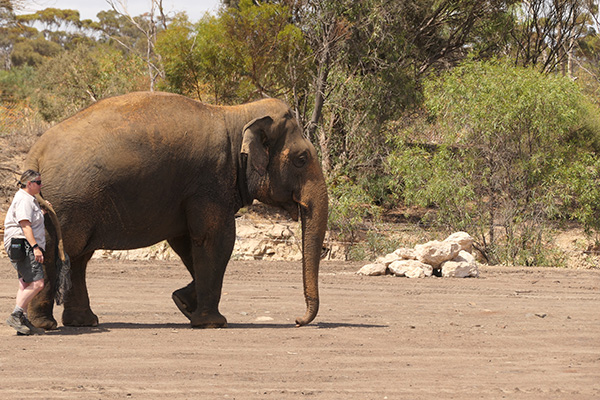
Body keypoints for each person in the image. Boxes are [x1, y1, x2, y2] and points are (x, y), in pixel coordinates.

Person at [3, 170, 47, 335]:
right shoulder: (24, 200)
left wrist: (43, 212)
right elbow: (25, 225)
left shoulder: (29, 199)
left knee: (25, 283)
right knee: (38, 284)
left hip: (23, 244)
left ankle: (23, 321)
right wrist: (35, 247)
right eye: (38, 182)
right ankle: (16, 314)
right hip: (24, 244)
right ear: (29, 183)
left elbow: (31, 220)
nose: (41, 185)